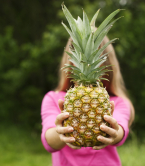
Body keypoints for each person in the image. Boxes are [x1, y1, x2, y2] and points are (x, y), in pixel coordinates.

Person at [41, 36, 135, 166]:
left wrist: (115, 132)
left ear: (106, 63)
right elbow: (49, 141)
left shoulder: (118, 102)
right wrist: (61, 131)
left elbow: (120, 130)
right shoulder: (52, 98)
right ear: (70, 62)